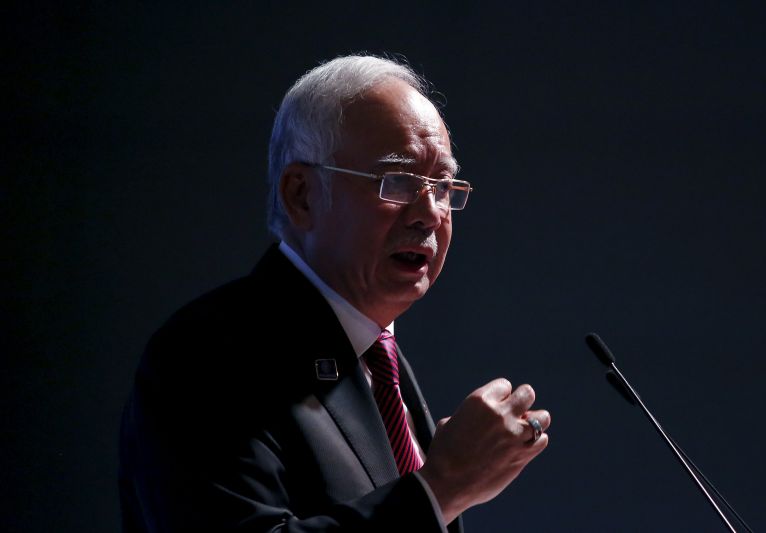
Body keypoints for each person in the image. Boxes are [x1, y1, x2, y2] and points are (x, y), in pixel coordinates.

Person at [119, 54, 551, 532]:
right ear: (302, 194)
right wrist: (441, 487)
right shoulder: (207, 354)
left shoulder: (373, 357)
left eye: (443, 186)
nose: (429, 213)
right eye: (399, 181)